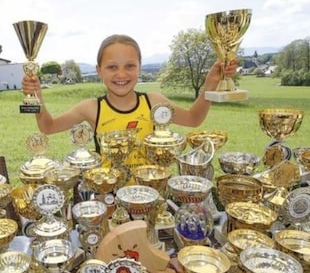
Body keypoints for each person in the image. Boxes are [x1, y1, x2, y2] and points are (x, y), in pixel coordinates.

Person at [22, 34, 239, 176]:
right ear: (99, 71)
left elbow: (193, 119)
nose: (121, 74)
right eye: (112, 67)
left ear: (140, 67)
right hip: (109, 197)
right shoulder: (91, 107)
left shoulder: (153, 102)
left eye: (129, 66)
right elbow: (48, 127)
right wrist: (37, 97)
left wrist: (210, 84)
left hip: (151, 192)